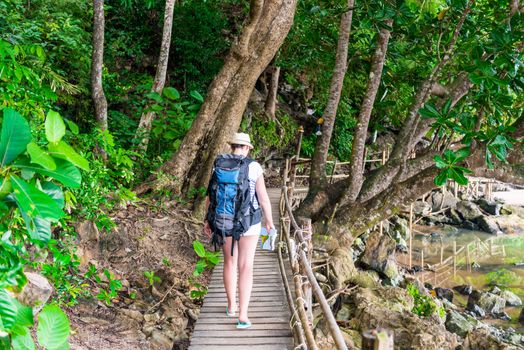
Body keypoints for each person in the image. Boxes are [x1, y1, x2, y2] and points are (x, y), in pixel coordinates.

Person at [203, 132, 275, 329]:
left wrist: (208, 221)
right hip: (249, 224)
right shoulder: (254, 167)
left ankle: (231, 306)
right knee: (246, 266)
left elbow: (211, 195)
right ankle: (243, 315)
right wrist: (269, 221)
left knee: (229, 262)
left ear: (232, 146)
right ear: (248, 147)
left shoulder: (219, 164)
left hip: (224, 221)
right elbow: (263, 198)